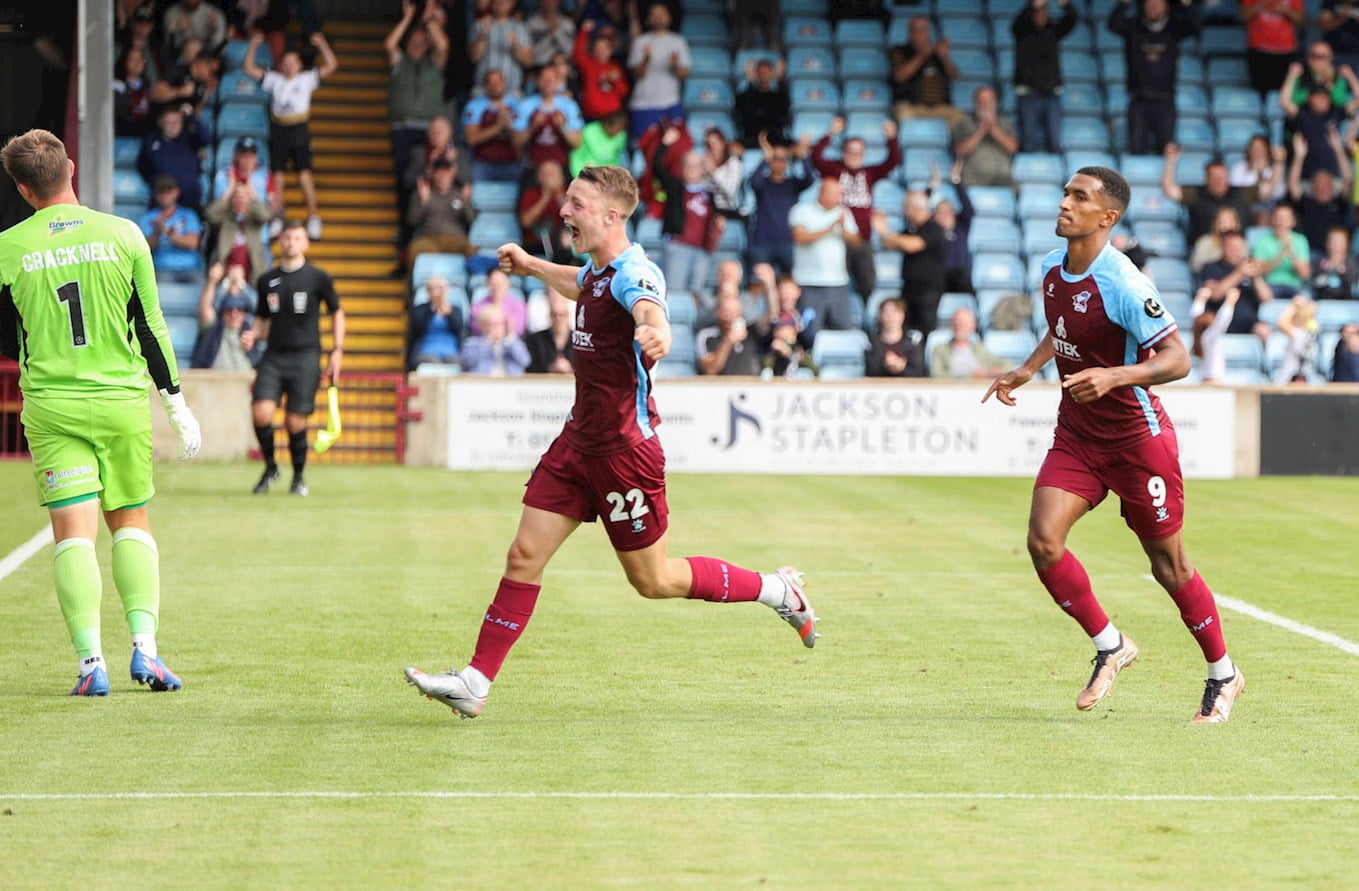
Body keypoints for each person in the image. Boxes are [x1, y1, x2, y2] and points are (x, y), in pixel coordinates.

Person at [404, 164, 819, 718]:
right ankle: (476, 682)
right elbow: (580, 283)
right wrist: (530, 265)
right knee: (524, 554)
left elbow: (649, 307)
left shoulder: (634, 273)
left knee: (654, 580)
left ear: (611, 215)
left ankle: (777, 590)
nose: (564, 212)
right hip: (578, 443)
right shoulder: (598, 271)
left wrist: (657, 332)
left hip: (625, 453)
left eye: (576, 204)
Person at [983, 165, 1244, 724]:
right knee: (1043, 542)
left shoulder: (1124, 283)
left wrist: (1115, 377)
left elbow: (1178, 359)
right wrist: (1029, 368)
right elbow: (1061, 330)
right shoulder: (1051, 268)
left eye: (1079, 197)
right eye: (1065, 193)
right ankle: (1111, 644)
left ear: (1107, 217)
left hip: (1136, 441)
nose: (1064, 203)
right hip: (1078, 435)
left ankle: (1223, 673)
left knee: (1168, 566)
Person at [0, 128, 201, 696]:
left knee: (73, 536)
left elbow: (7, 332)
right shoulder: (125, 234)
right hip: (120, 404)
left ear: (23, 189)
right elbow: (151, 326)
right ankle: (147, 651)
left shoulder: (8, 247)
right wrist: (177, 404)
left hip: (53, 408)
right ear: (71, 170)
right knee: (130, 521)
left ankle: (92, 665)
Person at [248, 221, 344, 497]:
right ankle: (271, 467)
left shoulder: (318, 277)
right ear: (280, 241)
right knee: (261, 412)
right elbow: (262, 319)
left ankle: (298, 477)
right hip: (273, 356)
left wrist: (337, 350)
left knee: (295, 422)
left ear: (305, 243)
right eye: (287, 237)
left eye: (297, 238)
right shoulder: (267, 280)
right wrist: (252, 335)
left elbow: (337, 312)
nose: (291, 242)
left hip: (305, 356)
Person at [244, 31, 335, 240]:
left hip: (299, 128)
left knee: (304, 176)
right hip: (279, 129)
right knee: (278, 177)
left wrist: (322, 44)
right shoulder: (274, 79)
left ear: (300, 65)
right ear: (280, 65)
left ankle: (313, 217)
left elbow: (331, 66)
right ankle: (277, 217)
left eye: (293, 62)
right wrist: (253, 46)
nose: (289, 66)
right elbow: (248, 68)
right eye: (285, 62)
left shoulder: (307, 79)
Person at [811, 115, 901, 300]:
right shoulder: (834, 170)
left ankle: (867, 314)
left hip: (862, 241)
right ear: (843, 153)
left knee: (867, 284)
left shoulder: (869, 173)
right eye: (850, 151)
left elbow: (893, 161)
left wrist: (891, 138)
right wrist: (831, 133)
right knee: (834, 285)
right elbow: (815, 157)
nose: (854, 155)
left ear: (864, 154)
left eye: (859, 152)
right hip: (837, 239)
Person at [1107, 0, 1199, 156]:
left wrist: (1187, 5)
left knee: (1166, 151)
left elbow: (1195, 27)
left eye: (1158, 3)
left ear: (1166, 6)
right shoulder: (1134, 26)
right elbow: (1112, 24)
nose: (1154, 7)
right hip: (1138, 100)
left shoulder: (1174, 27)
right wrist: (1123, 4)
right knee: (1136, 151)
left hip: (1166, 101)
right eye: (1150, 3)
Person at [652, 127, 724, 296]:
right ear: (682, 167)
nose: (691, 169)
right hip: (678, 247)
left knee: (696, 295)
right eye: (687, 165)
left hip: (702, 250)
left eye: (696, 166)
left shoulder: (710, 193)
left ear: (702, 169)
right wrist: (665, 144)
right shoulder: (675, 187)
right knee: (674, 292)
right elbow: (657, 167)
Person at [386, 0, 451, 180]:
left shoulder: (434, 64)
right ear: (406, 45)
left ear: (427, 46)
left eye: (421, 43)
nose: (416, 46)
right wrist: (407, 18)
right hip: (402, 128)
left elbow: (443, 45)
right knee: (403, 175)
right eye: (413, 42)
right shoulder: (400, 63)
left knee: (430, 173)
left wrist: (428, 20)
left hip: (429, 129)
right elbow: (390, 44)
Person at [789, 177, 861, 332]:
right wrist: (830, 228)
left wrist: (842, 228)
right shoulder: (802, 210)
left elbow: (856, 241)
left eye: (838, 194)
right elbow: (799, 237)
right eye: (831, 193)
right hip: (809, 282)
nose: (835, 198)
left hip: (838, 282)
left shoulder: (843, 213)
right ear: (821, 192)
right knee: (810, 330)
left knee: (842, 328)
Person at [874, 194, 946, 335]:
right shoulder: (911, 229)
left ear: (915, 209)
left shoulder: (933, 227)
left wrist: (885, 232)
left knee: (925, 328)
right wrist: (882, 231)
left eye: (906, 208)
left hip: (928, 290)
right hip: (909, 288)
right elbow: (889, 244)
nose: (905, 212)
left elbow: (913, 245)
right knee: (906, 326)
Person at [1012, 0, 1078, 153]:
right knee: (1028, 141)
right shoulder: (1022, 30)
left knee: (1055, 142)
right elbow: (1017, 22)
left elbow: (1072, 19)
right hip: (1028, 94)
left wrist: (1065, 4)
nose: (1042, 14)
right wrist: (1032, 5)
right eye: (1038, 11)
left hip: (1051, 94)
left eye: (1045, 11)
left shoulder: (1053, 31)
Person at [748, 133, 814, 278]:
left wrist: (803, 155)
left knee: (791, 284)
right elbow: (753, 181)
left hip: (788, 242)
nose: (779, 162)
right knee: (757, 284)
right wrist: (766, 157)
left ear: (788, 162)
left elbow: (810, 179)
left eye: (783, 159)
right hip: (762, 242)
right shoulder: (762, 184)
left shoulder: (793, 184)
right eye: (775, 158)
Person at [1160, 144, 1252, 245]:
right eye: (1214, 177)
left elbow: (1265, 191)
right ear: (1207, 178)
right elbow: (1169, 190)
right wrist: (1170, 162)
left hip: (1236, 247)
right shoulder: (1196, 193)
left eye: (1222, 177)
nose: (1219, 181)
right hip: (1204, 246)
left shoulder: (1241, 193)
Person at [627, 2, 691, 139]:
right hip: (643, 105)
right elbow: (635, 75)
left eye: (662, 14)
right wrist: (646, 59)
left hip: (671, 103)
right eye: (654, 15)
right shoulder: (640, 41)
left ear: (669, 17)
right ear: (648, 19)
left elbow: (685, 73)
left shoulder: (678, 41)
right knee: (644, 146)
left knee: (675, 145)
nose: (659, 18)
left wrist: (674, 66)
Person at [1202, 228, 1275, 342]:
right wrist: (1239, 273)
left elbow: (1267, 299)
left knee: (1264, 330)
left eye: (1237, 248)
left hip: (1249, 324)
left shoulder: (1251, 268)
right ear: (1222, 247)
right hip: (1218, 323)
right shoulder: (1211, 268)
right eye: (1230, 247)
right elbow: (1215, 295)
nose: (1234, 251)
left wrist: (1257, 277)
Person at [1288, 131, 1353, 256]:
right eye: (1318, 184)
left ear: (1332, 187)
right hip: (1308, 254)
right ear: (1313, 187)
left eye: (1326, 184)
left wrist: (1338, 149)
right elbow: (1293, 184)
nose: (1322, 188)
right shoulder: (1306, 202)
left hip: (1336, 255)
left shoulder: (1339, 203)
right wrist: (1299, 157)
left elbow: (1348, 180)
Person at [512, 64, 584, 172]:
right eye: (544, 79)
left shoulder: (569, 105)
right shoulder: (525, 105)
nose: (548, 82)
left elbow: (577, 143)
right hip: (533, 166)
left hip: (561, 167)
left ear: (557, 82)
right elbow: (516, 142)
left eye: (551, 79)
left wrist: (562, 126)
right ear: (538, 81)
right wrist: (532, 127)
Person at [136, 106, 209, 211]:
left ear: (182, 123)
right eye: (168, 123)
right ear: (160, 123)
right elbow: (141, 166)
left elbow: (206, 139)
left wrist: (191, 117)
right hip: (162, 199)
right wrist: (155, 183)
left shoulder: (190, 138)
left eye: (176, 122)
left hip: (189, 198)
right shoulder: (151, 141)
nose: (172, 126)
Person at [890, 15, 960, 122]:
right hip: (912, 106)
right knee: (904, 115)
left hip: (940, 108)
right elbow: (899, 76)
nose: (920, 33)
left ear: (929, 33)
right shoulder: (900, 51)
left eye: (924, 29)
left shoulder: (937, 54)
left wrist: (945, 58)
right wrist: (922, 55)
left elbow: (954, 76)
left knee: (961, 119)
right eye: (915, 30)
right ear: (910, 33)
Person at [193, 262, 262, 371]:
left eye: (239, 310)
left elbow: (263, 312)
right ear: (223, 313)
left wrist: (242, 285)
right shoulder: (214, 329)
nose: (234, 314)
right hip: (214, 380)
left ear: (244, 314)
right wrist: (212, 281)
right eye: (229, 310)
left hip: (245, 380)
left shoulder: (250, 330)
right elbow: (205, 308)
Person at [407, 157, 478, 262]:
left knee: (471, 249)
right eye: (439, 173)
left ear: (452, 174)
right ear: (433, 174)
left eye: (446, 173)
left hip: (455, 238)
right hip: (430, 239)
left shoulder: (459, 194)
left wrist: (465, 203)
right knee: (415, 249)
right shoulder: (423, 192)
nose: (443, 177)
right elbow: (412, 221)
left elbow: (471, 220)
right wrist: (423, 202)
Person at [138, 175, 203, 283]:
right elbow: (146, 249)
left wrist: (167, 232)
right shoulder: (148, 218)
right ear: (155, 194)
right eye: (161, 192)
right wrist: (156, 232)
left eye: (168, 191)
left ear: (176, 192)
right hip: (163, 268)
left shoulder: (188, 215)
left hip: (190, 267)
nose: (165, 196)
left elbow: (193, 243)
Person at [463, 68, 522, 183]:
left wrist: (508, 127)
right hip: (482, 163)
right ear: (486, 86)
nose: (495, 85)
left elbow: (520, 141)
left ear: (504, 84)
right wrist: (498, 127)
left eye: (498, 81)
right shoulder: (474, 106)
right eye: (491, 82)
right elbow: (471, 139)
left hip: (510, 162)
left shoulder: (516, 106)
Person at [952, 86, 1018, 189]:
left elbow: (1012, 148)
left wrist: (993, 129)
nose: (986, 105)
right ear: (975, 103)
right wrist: (981, 131)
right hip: (972, 178)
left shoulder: (1005, 122)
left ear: (995, 103)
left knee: (1020, 189)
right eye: (982, 101)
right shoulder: (963, 123)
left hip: (1002, 178)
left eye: (990, 101)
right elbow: (960, 151)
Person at [470, 0, 533, 95]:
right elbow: (474, 57)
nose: (501, 4)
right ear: (492, 4)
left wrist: (515, 47)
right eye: (498, 2)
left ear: (511, 4)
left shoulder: (520, 28)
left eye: (504, 2)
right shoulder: (479, 25)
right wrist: (482, 36)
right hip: (483, 89)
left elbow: (528, 61)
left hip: (511, 90)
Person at [572, 20, 630, 122]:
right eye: (598, 48)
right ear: (593, 50)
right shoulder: (588, 65)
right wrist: (584, 31)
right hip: (592, 114)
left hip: (612, 117)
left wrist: (616, 80)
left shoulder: (615, 67)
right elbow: (578, 54)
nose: (601, 51)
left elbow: (624, 91)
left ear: (611, 50)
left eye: (605, 48)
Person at [1243, 0, 1304, 97]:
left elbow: (1300, 19)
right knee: (1260, 93)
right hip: (1259, 51)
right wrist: (1263, 3)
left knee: (1285, 92)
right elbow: (1243, 15)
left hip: (1286, 51)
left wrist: (1286, 10)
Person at [1253, 203, 1311, 303]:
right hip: (1271, 285)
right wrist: (1280, 255)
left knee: (1305, 298)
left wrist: (1291, 251)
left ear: (1293, 222)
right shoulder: (1263, 240)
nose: (1280, 221)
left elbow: (1305, 274)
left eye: (1285, 218)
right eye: (1277, 217)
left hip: (1295, 286)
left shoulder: (1300, 240)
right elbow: (1258, 271)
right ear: (1272, 220)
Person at [697, 290, 763, 376]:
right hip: (722, 384)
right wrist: (728, 342)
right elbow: (710, 370)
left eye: (734, 312)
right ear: (717, 312)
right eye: (726, 312)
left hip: (749, 383)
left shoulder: (751, 333)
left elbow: (771, 319)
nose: (729, 317)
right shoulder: (707, 336)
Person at [406, 274, 464, 371]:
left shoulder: (455, 310)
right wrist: (432, 310)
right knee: (432, 363)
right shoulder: (420, 309)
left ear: (446, 290)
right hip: (426, 350)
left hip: (450, 350)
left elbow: (459, 329)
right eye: (432, 289)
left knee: (455, 362)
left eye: (439, 288)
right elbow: (417, 328)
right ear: (427, 292)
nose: (436, 292)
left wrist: (449, 315)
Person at [929, 307, 1006, 378]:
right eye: (956, 323)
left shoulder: (980, 349)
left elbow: (1006, 364)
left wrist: (996, 370)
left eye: (963, 324)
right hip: (951, 387)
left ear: (973, 326)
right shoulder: (940, 350)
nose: (959, 326)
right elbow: (936, 375)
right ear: (951, 325)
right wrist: (970, 376)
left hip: (978, 387)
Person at [735, 57, 791, 146]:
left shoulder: (778, 96)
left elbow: (784, 110)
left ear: (772, 74)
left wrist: (780, 81)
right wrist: (750, 83)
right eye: (760, 72)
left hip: (774, 139)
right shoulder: (746, 95)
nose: (763, 75)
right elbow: (744, 110)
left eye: (766, 72)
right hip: (752, 138)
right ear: (756, 74)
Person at [865, 297, 925, 377]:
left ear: (902, 315)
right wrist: (887, 366)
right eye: (886, 312)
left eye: (894, 312)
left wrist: (902, 368)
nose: (890, 316)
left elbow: (919, 372)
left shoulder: (914, 340)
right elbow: (870, 372)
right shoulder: (871, 342)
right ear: (880, 316)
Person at [526, 287, 575, 373]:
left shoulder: (578, 340)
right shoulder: (536, 340)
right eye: (554, 315)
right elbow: (529, 368)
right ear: (550, 316)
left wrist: (569, 369)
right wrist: (550, 368)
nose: (558, 319)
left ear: (568, 316)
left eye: (562, 315)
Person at [1274, 293, 1320, 383]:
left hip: (1296, 374)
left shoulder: (1300, 333)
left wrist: (1293, 306)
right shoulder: (1311, 331)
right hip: (1299, 374)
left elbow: (1281, 323)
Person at [469, 268, 528, 336]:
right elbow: (474, 328)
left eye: (500, 283)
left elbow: (520, 329)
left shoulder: (517, 305)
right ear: (488, 284)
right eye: (493, 283)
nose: (497, 286)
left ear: (508, 284)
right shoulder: (478, 306)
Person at [1188, 205, 1244, 276]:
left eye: (1228, 221)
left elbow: (1244, 261)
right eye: (1221, 221)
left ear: (1235, 223)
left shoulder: (1242, 242)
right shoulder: (1204, 242)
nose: (1224, 225)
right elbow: (1196, 266)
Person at [570, 110, 628, 176]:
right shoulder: (589, 131)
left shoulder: (621, 136)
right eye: (619, 128)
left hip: (606, 177)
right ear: (608, 124)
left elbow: (618, 157)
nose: (620, 132)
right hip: (582, 174)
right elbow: (577, 152)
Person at [1309, 226, 1358, 300]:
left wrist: (1342, 271)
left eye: (1339, 242)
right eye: (1333, 241)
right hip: (1324, 300)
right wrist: (1328, 270)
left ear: (1347, 244)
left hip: (1347, 301)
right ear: (1327, 243)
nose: (1336, 245)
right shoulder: (1321, 261)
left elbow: (1353, 284)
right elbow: (1315, 283)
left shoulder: (1351, 262)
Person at [1321, 0, 1359, 75]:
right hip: (1333, 51)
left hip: (1356, 52)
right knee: (1331, 79)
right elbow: (1324, 26)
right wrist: (1342, 17)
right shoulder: (1331, 2)